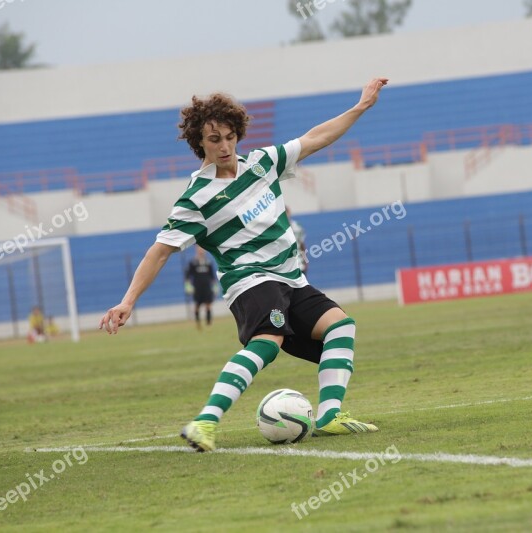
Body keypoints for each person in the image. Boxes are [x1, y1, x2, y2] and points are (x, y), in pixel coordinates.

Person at [99, 78, 388, 452]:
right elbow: (159, 251)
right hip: (250, 281)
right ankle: (204, 423)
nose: (224, 146)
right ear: (198, 143)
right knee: (268, 343)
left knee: (341, 328)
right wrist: (128, 301)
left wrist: (361, 106)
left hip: (291, 279)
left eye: (230, 136)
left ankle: (330, 416)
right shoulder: (196, 198)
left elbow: (317, 137)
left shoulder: (263, 163)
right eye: (214, 139)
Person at [184, 246, 217, 329]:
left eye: (202, 249)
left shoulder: (208, 262)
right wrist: (188, 286)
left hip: (207, 287)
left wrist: (215, 286)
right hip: (197, 287)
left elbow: (212, 276)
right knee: (197, 305)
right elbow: (188, 276)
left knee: (208, 304)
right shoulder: (193, 262)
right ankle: (198, 323)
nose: (201, 251)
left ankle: (209, 323)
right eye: (199, 249)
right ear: (196, 250)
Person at [286, 206, 308, 274]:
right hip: (286, 266)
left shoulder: (297, 227)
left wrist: (306, 261)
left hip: (299, 263)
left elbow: (302, 245)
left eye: (286, 213)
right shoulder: (278, 229)